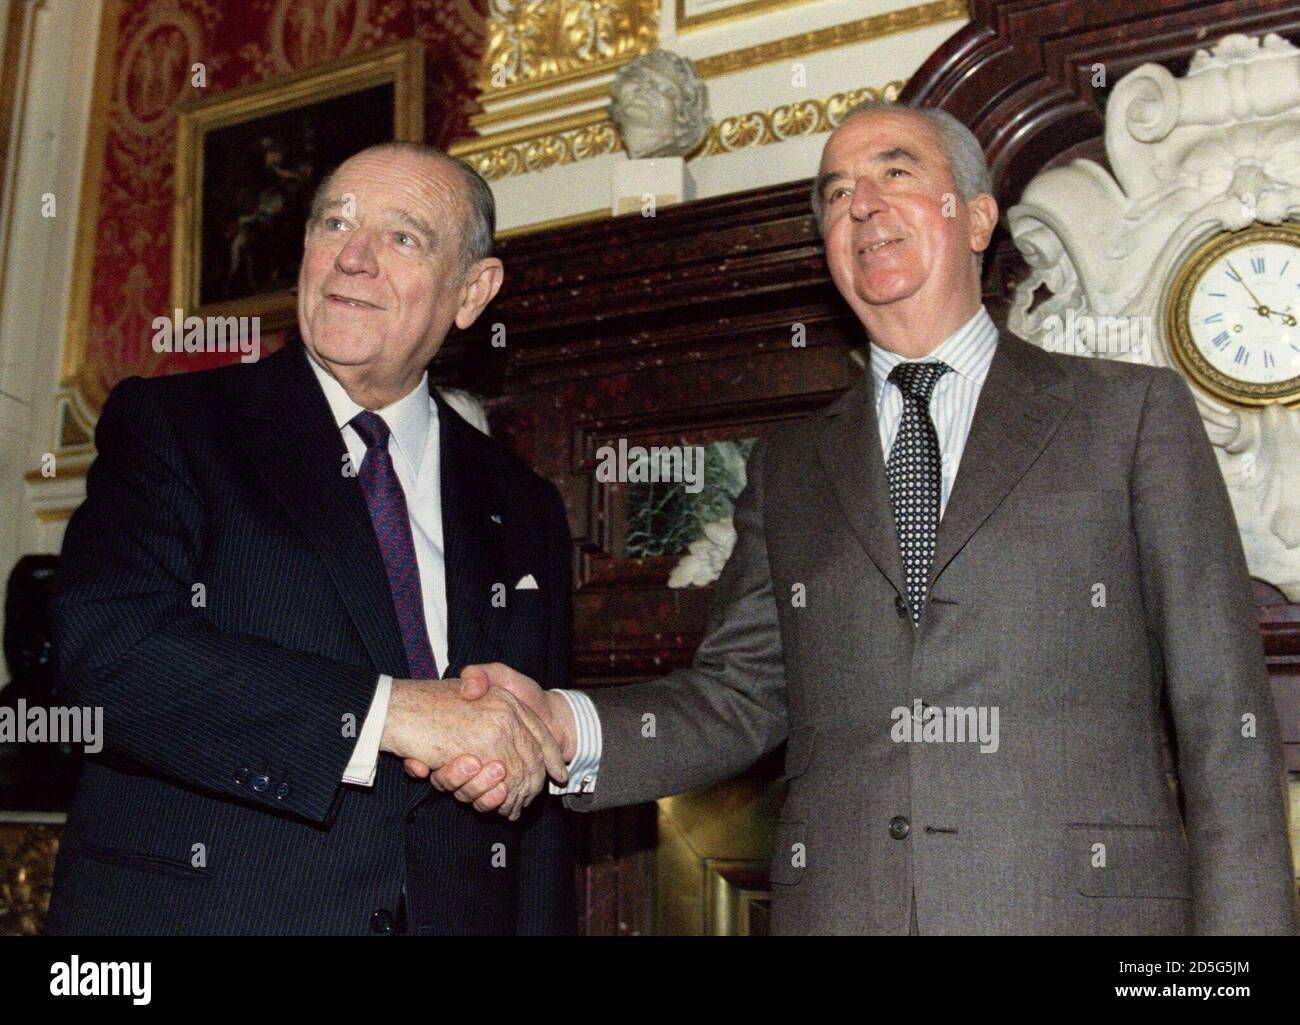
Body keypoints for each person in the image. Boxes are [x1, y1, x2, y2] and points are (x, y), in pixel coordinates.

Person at [422, 101, 1299, 935]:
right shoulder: (792, 465)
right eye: (836, 193)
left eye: (895, 172)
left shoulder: (1129, 414)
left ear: (979, 216)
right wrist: (561, 727)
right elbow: (737, 697)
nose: (862, 205)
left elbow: (1227, 717)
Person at [46, 142, 578, 935]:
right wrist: (388, 712)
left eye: (403, 237)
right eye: (335, 223)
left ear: (472, 291)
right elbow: (106, 653)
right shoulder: (177, 426)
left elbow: (534, 797)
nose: (353, 258)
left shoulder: (524, 503)